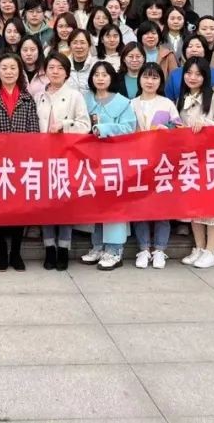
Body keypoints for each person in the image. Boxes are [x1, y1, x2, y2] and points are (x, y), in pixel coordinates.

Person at [0, 52, 41, 271]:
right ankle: (2, 251)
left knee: (19, 209)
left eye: (13, 68)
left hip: (21, 162)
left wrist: (25, 152)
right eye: (4, 68)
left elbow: (34, 130)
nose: (8, 72)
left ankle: (16, 252)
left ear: (19, 72)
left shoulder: (27, 98)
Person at [35, 52, 91, 270]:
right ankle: (49, 247)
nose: (55, 71)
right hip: (42, 157)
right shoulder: (39, 95)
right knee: (46, 204)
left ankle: (64, 248)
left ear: (67, 72)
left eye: (60, 68)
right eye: (51, 67)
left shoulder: (75, 96)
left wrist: (65, 126)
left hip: (67, 156)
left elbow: (85, 125)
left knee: (65, 203)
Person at [81, 61, 136, 270]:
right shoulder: (84, 99)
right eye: (96, 74)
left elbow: (129, 128)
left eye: (104, 74)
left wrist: (104, 129)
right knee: (94, 204)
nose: (100, 78)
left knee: (114, 205)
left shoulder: (123, 102)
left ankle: (114, 250)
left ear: (112, 77)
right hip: (89, 161)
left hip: (114, 161)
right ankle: (97, 246)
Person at [176, 57, 214, 269]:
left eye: (198, 74)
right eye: (189, 73)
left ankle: (211, 250)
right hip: (190, 160)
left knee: (213, 205)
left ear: (205, 77)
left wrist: (205, 123)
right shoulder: (180, 99)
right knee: (193, 205)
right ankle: (198, 247)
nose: (193, 77)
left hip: (211, 159)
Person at [130, 62, 179, 270]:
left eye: (155, 77)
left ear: (161, 81)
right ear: (139, 79)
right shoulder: (131, 103)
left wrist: (166, 129)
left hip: (162, 163)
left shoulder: (167, 103)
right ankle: (143, 248)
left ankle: (159, 249)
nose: (150, 81)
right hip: (137, 162)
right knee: (140, 207)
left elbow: (179, 128)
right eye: (146, 77)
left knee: (162, 207)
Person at [164, 35, 214, 100]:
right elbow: (168, 100)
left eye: (198, 46)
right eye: (190, 46)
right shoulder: (175, 74)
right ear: (184, 51)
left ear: (205, 50)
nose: (194, 50)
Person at [66, 28, 97, 97]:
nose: (79, 46)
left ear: (89, 45)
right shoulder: (64, 65)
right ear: (69, 45)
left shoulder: (96, 66)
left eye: (82, 42)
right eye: (75, 43)